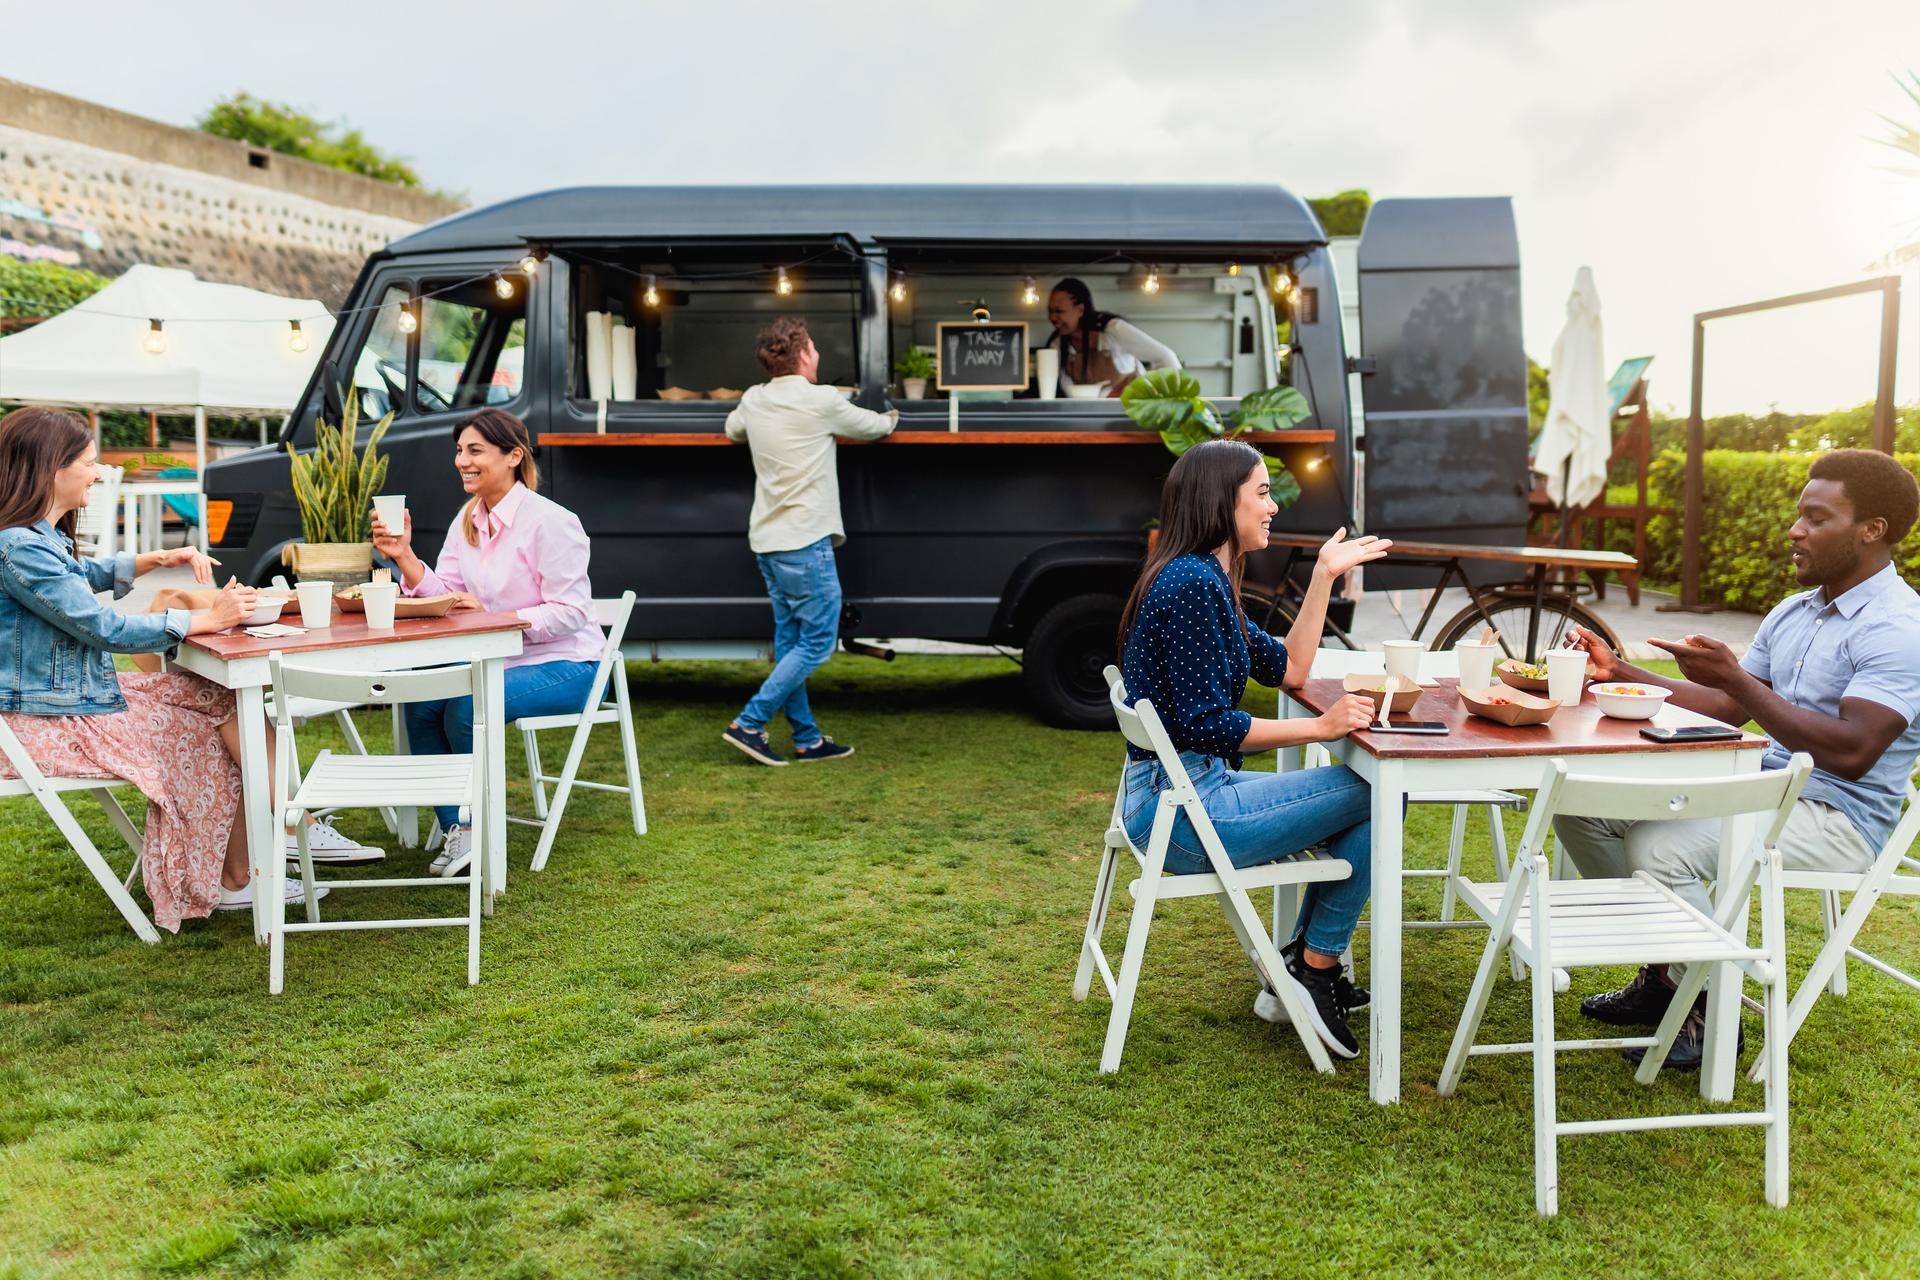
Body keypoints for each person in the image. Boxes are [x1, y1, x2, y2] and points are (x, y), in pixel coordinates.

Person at [1559, 448, 1920, 1068]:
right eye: (1798, 515)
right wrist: (1618, 670)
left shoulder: (1898, 626)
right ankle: (1670, 976)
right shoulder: (1796, 609)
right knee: (1584, 808)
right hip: (1765, 785)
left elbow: (1854, 751)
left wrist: (1743, 683)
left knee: (1660, 848)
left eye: (1815, 518)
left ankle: (1713, 1011)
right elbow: (1726, 708)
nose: (1794, 530)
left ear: (1872, 530)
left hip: (1840, 816)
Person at [0, 406, 331, 927]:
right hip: (44, 722)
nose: (95, 472)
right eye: (88, 463)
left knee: (226, 703)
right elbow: (103, 629)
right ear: (51, 468)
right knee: (204, 731)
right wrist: (206, 616)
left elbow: (78, 574)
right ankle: (242, 869)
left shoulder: (35, 539)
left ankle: (275, 838)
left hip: (74, 698)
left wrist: (148, 561)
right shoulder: (19, 547)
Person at [1118, 437, 1390, 1058]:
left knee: (1376, 792)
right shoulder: (1191, 584)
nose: (1273, 507)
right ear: (1222, 502)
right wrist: (1322, 729)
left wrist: (1323, 575)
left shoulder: (1205, 575)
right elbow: (1207, 724)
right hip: (1187, 815)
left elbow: (1289, 669)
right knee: (1380, 791)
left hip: (1183, 793)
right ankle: (1313, 968)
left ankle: (1306, 963)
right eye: (1262, 493)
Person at [371, 408, 599, 877]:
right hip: (496, 660)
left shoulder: (551, 522)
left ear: (514, 455)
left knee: (463, 707)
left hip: (569, 663)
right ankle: (460, 832)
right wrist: (405, 556)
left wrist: (497, 619)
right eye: (459, 451)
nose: (462, 461)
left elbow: (572, 611)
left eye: (475, 450)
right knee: (422, 701)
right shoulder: (468, 520)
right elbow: (450, 598)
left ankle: (474, 832)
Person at [720, 317, 898, 766]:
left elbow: (731, 430)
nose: (818, 355)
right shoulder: (821, 400)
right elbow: (876, 426)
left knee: (791, 642)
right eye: (814, 348)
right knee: (818, 642)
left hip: (768, 541)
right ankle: (749, 722)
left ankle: (807, 739)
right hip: (805, 541)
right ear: (802, 354)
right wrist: (893, 413)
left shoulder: (755, 399)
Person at [1043, 277, 1181, 397]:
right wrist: (1105, 395)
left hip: (1138, 412)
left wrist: (1171, 399)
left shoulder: (1114, 330)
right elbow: (1068, 390)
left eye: (1059, 311)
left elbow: (1165, 357)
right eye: (1050, 311)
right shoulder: (1057, 346)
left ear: (1080, 310)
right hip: (1096, 417)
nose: (1052, 318)